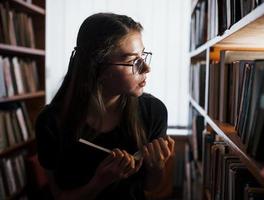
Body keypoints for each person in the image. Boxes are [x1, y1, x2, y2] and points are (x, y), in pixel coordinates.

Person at [35, 13, 175, 200]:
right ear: (97, 69)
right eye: (133, 61)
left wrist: (156, 167)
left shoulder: (153, 112)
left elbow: (151, 186)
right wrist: (100, 182)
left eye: (143, 56)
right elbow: (58, 196)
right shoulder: (51, 122)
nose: (146, 68)